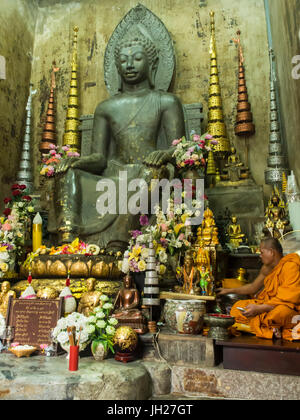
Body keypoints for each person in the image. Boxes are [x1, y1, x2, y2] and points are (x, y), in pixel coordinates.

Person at [48, 27, 185, 249]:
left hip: (148, 171)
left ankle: (118, 242)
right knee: (68, 172)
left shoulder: (166, 102)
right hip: (113, 175)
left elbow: (181, 149)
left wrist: (164, 154)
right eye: (123, 60)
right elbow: (100, 157)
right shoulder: (106, 107)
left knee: (153, 174)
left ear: (152, 64)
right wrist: (76, 162)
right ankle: (68, 243)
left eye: (138, 58)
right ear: (116, 66)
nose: (129, 65)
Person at [217, 237, 300, 341]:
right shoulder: (267, 268)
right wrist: (228, 291)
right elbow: (253, 287)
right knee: (236, 308)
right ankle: (271, 329)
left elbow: (290, 299)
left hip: (287, 308)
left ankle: (265, 328)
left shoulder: (291, 266)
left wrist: (260, 309)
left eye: (261, 252)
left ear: (271, 252)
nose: (260, 256)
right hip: (267, 305)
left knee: (279, 314)